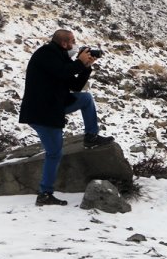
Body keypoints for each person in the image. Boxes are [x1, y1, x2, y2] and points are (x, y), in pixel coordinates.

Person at [19, 29, 114, 206]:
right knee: (54, 153)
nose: (75, 44)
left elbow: (75, 85)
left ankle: (91, 136)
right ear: (64, 43)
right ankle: (45, 194)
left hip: (54, 105)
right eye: (72, 41)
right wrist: (79, 61)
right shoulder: (45, 54)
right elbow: (62, 72)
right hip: (42, 112)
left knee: (85, 99)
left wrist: (85, 66)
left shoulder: (61, 57)